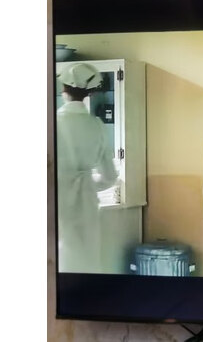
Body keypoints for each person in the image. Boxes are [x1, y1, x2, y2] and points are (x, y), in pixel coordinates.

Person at [56, 62, 119, 273]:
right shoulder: (97, 126)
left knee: (58, 265)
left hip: (56, 204)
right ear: (90, 93)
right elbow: (110, 176)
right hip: (87, 206)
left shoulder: (52, 123)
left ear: (63, 89)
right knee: (86, 264)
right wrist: (87, 185)